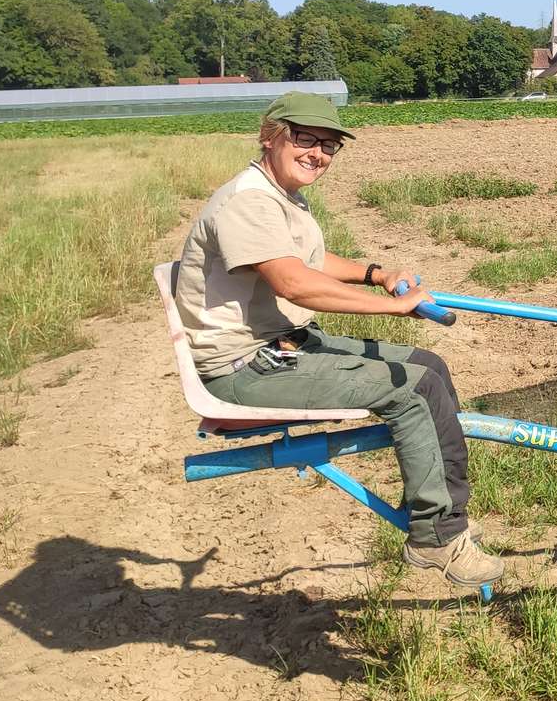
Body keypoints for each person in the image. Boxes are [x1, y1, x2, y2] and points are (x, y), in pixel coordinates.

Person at [174, 92, 504, 588]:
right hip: (244, 366)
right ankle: (437, 537)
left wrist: (377, 274)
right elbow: (295, 283)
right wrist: (395, 305)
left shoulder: (278, 193)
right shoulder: (249, 201)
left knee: (428, 365)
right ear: (270, 137)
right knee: (415, 390)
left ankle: (441, 509)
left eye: (328, 145)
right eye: (304, 139)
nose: (317, 153)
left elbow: (308, 261)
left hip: (281, 342)